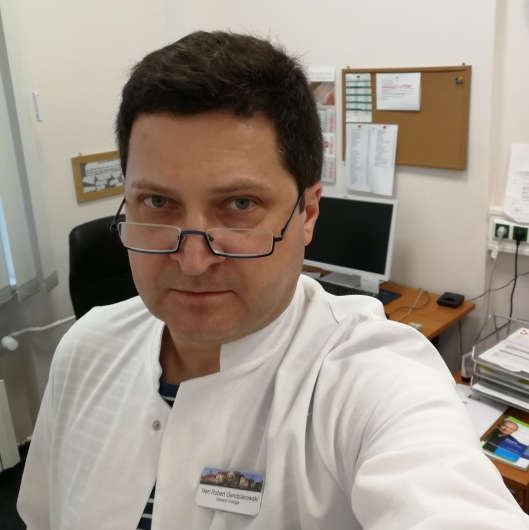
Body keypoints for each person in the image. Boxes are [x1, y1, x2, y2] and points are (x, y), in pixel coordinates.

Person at [17, 30, 529, 529]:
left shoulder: (369, 379)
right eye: (156, 201)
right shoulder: (86, 348)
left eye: (240, 204)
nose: (193, 261)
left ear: (308, 213)